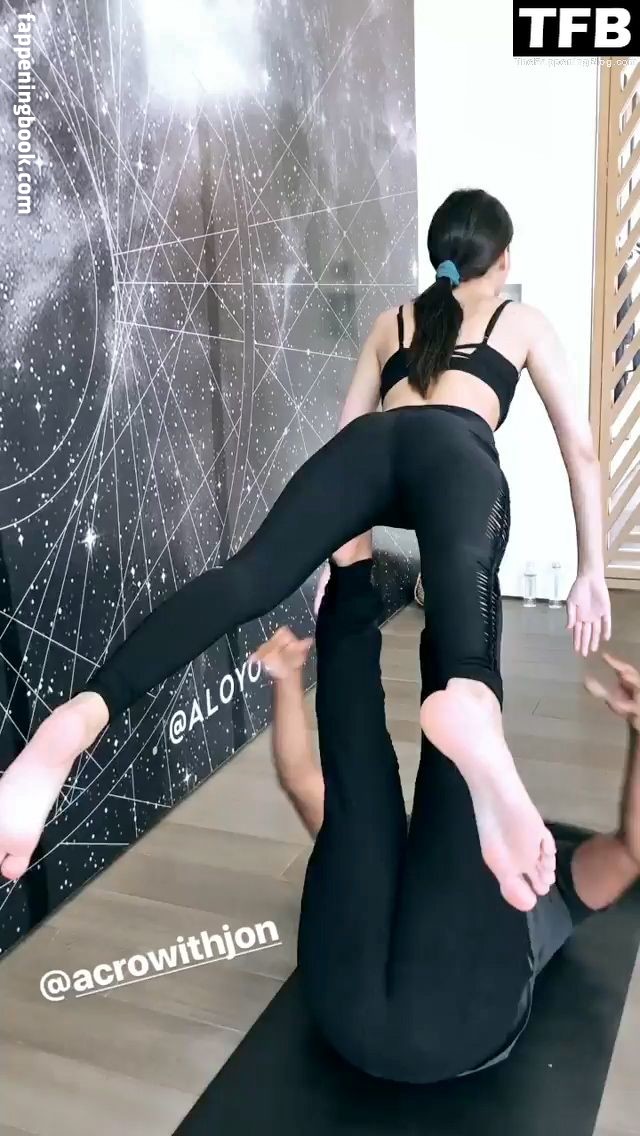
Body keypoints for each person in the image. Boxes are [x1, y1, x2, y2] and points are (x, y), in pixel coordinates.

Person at [0, 189, 610, 911]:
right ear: (502, 260)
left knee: (244, 580)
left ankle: (80, 717)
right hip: (457, 452)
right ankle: (470, 701)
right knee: (465, 577)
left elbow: (351, 434)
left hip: (365, 454)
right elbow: (581, 450)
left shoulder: (393, 322)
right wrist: (591, 570)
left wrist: (336, 559)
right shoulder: (520, 319)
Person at [254, 545, 640, 1082]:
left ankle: (406, 569)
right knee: (397, 787)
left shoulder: (551, 886)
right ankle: (368, 568)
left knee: (386, 793)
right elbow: (629, 853)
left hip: (421, 1017)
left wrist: (286, 680)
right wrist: (287, 677)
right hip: (353, 1014)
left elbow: (631, 852)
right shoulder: (555, 895)